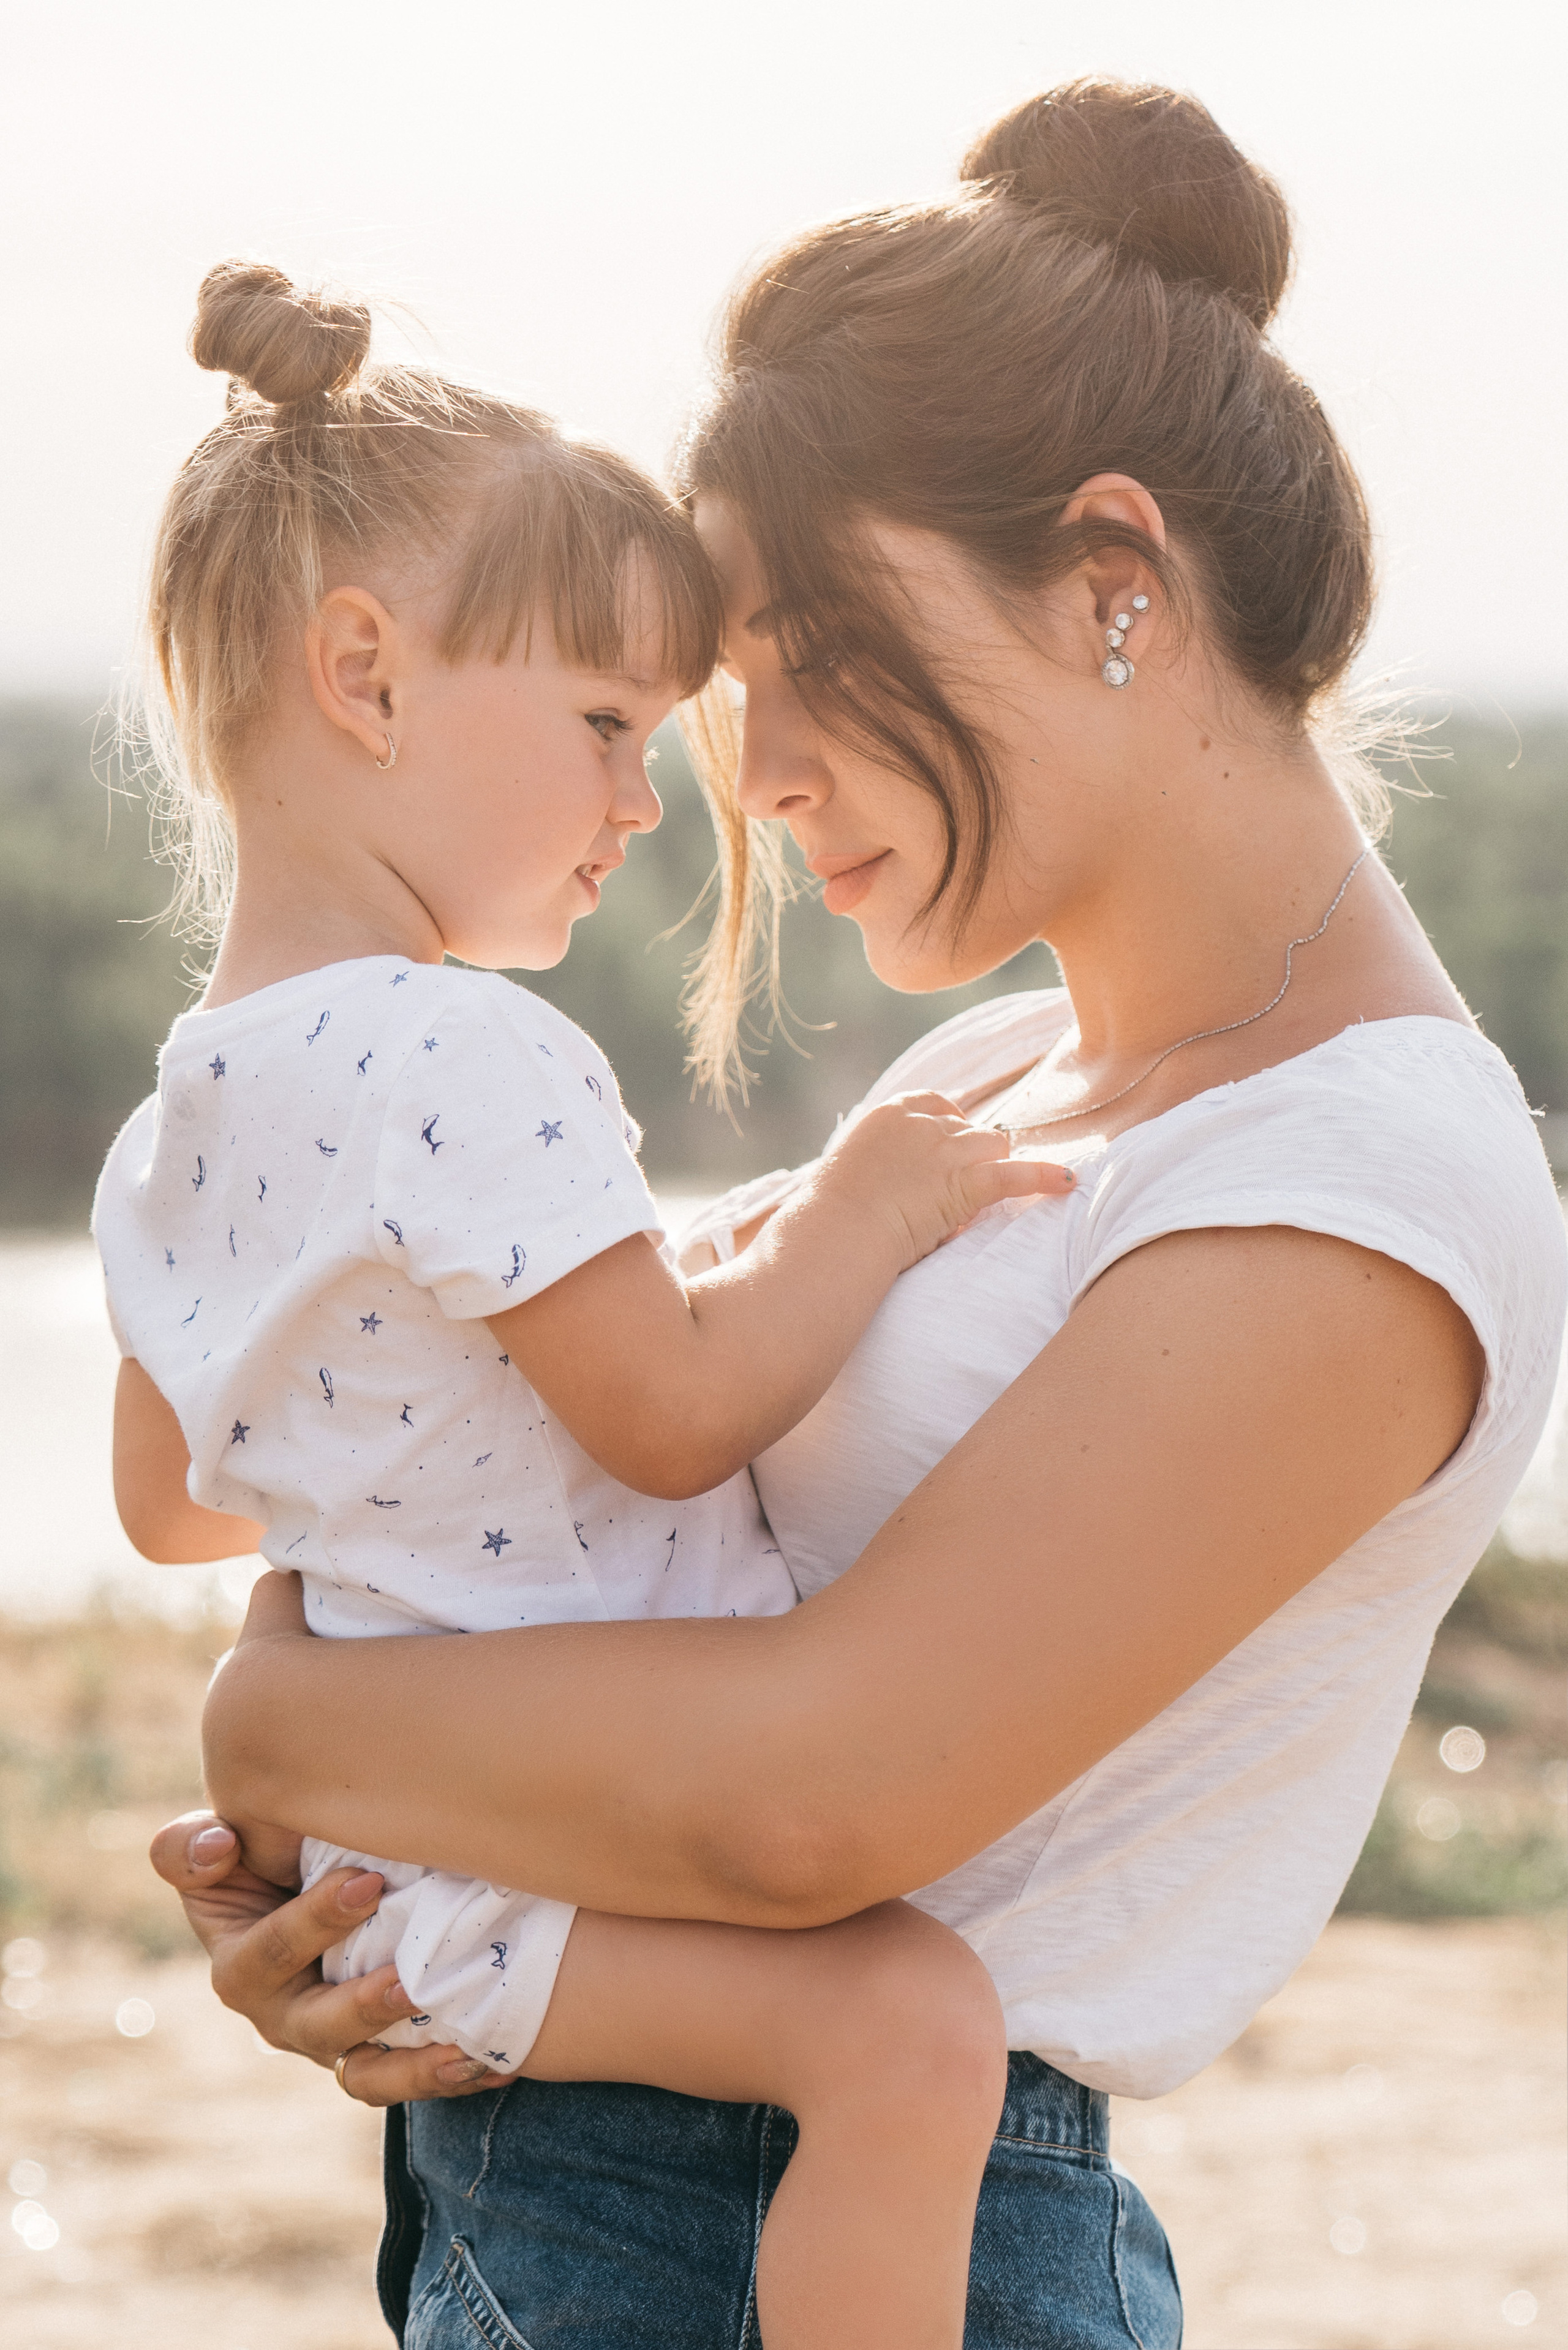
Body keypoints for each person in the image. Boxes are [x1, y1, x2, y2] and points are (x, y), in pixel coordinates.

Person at [151, 83, 1566, 2350]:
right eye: (727, 688)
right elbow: (564, 1523)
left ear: (1119, 580)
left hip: (852, 2230)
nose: (758, 765)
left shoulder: (1362, 1180)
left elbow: (813, 1799)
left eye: (810, 650)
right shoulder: (981, 1084)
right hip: (580, 2179)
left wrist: (277, 1739)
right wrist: (408, 1918)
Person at [98, 260, 1079, 2350]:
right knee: (908, 2035)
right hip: (563, 1853)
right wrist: (868, 1212)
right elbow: (668, 1417)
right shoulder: (465, 1056)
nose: (648, 806)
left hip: (412, 1869)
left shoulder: (176, 1118)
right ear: (362, 676)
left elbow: (180, 1507)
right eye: (610, 726)